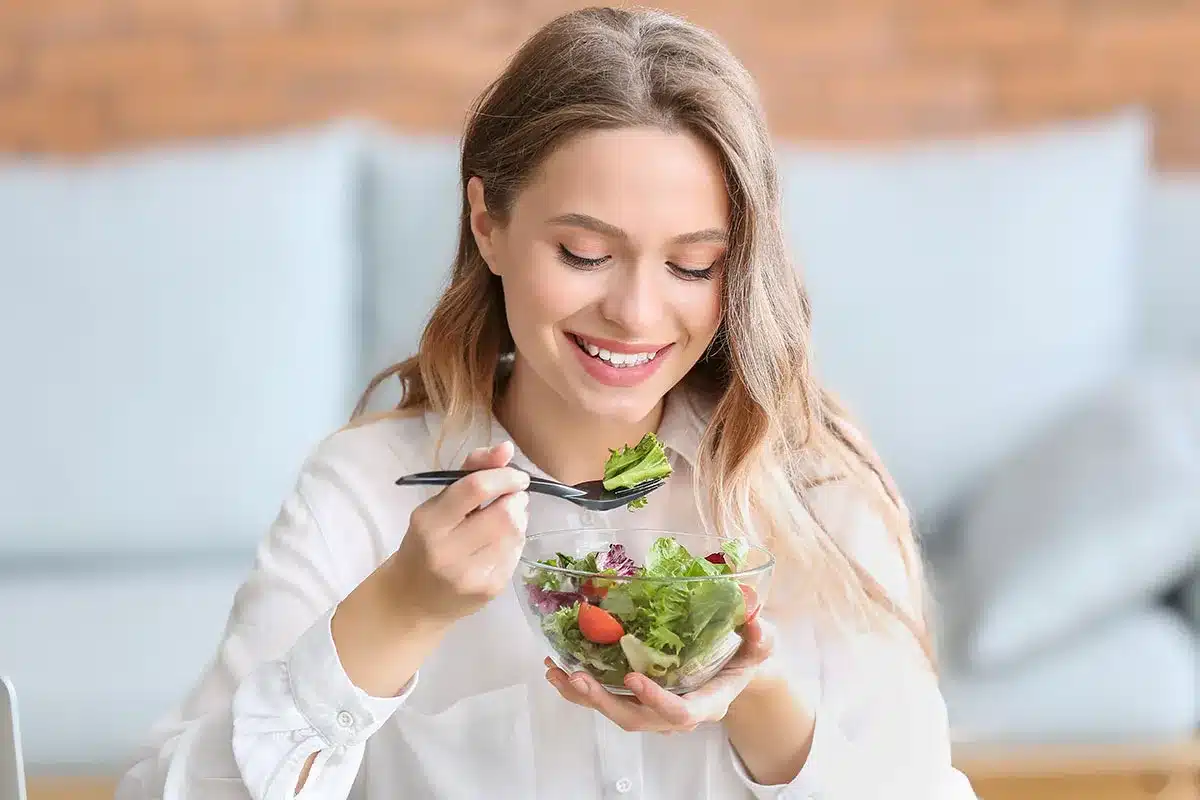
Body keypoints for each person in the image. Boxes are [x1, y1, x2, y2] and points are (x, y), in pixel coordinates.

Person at [116, 7, 979, 799]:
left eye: (691, 267)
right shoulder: (367, 491)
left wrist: (751, 694)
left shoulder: (810, 490)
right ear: (487, 223)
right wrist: (399, 612)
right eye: (583, 253)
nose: (637, 315)